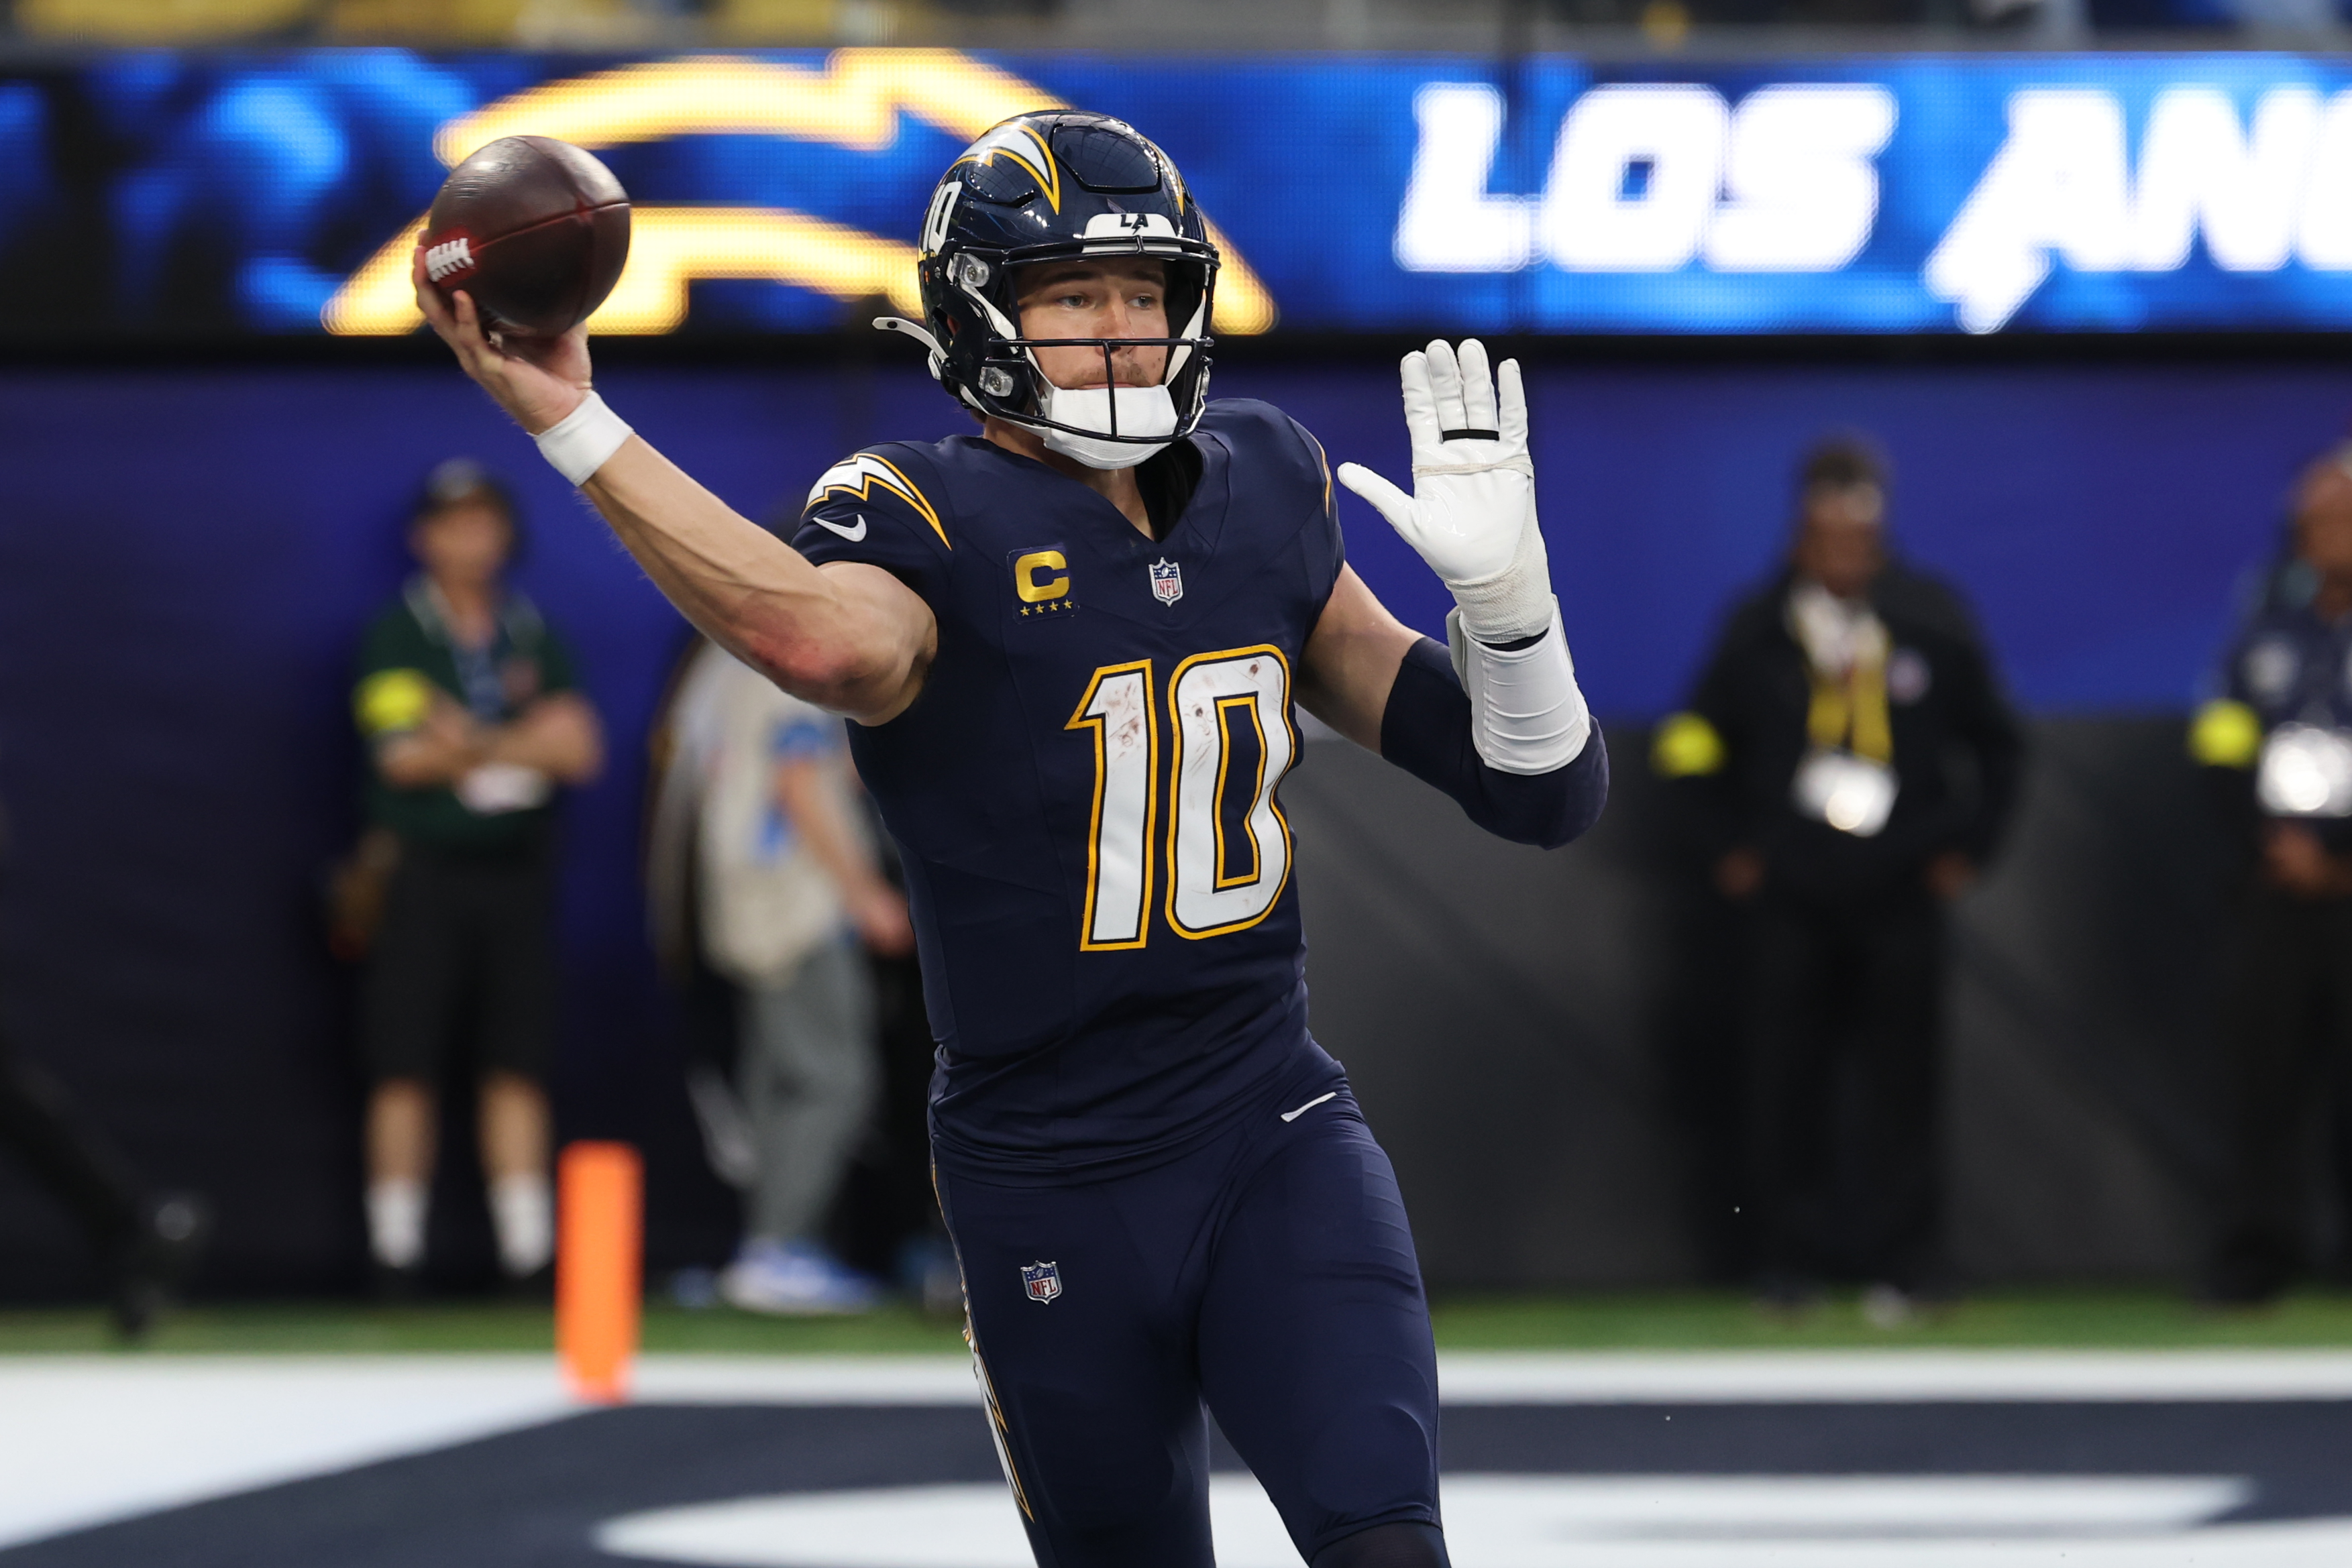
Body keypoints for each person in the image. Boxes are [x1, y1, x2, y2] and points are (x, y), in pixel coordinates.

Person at [416, 111, 1605, 1568]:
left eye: (1142, 293)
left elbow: (1535, 790)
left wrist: (1512, 615)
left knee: (1385, 1546)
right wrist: (573, 421)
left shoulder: (1264, 485)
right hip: (1044, 1168)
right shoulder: (918, 508)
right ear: (979, 313)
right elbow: (816, 638)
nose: (1117, 331)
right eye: (1068, 296)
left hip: (1265, 1126)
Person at [1653, 437, 2022, 1323]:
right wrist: (1729, 849)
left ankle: (1910, 1264)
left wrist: (1965, 847)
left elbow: (2000, 745)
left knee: (1905, 1083)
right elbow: (1688, 745)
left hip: (1899, 886)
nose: (1846, 553)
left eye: (1862, 537)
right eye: (1828, 537)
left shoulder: (1929, 617)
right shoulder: (1756, 625)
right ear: (1798, 539)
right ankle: (1787, 1263)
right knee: (1785, 1080)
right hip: (1791, 891)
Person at [351, 460, 603, 1293]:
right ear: (424, 537)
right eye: (454, 524)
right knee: (404, 1061)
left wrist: (467, 733)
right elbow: (403, 760)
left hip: (515, 872)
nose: (471, 540)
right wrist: (518, 738)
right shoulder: (397, 633)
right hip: (423, 872)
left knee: (517, 1059)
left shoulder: (532, 631)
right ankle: (394, 1252)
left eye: (484, 523)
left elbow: (580, 750)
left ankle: (529, 1252)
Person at [647, 636, 914, 1314]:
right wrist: (862, 891)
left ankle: (767, 1247)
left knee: (779, 1081)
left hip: (741, 895)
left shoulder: (728, 665)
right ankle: (780, 1245)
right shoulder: (790, 666)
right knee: (834, 1077)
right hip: (796, 900)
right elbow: (799, 783)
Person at [2194, 445, 2352, 1304]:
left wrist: (2342, 859)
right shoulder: (2264, 625)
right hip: (2274, 889)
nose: (2324, 536)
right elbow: (2218, 746)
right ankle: (2256, 1254)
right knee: (2264, 1078)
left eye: (2339, 520)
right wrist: (2272, 845)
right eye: (2313, 523)